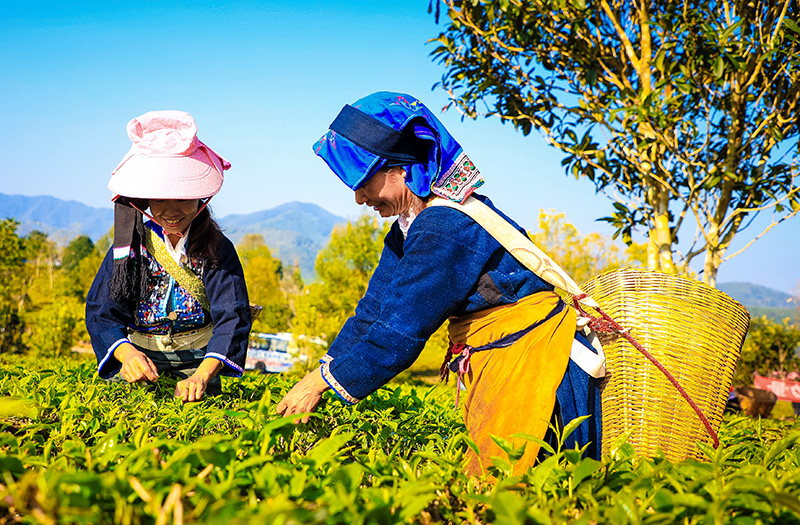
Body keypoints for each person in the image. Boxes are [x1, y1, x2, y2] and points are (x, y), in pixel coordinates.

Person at [276, 92, 603, 474]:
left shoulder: (444, 226)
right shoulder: (409, 228)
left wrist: (322, 382)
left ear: (402, 169)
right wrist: (322, 370)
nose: (359, 197)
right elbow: (373, 313)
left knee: (522, 485)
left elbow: (399, 333)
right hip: (501, 358)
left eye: (364, 181)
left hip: (532, 364)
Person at [86, 110, 252, 402]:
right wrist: (127, 356)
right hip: (140, 361)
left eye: (183, 198)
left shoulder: (217, 247)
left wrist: (202, 375)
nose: (171, 210)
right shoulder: (129, 246)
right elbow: (102, 311)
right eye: (160, 198)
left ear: (200, 197)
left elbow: (233, 317)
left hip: (200, 362)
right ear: (145, 198)